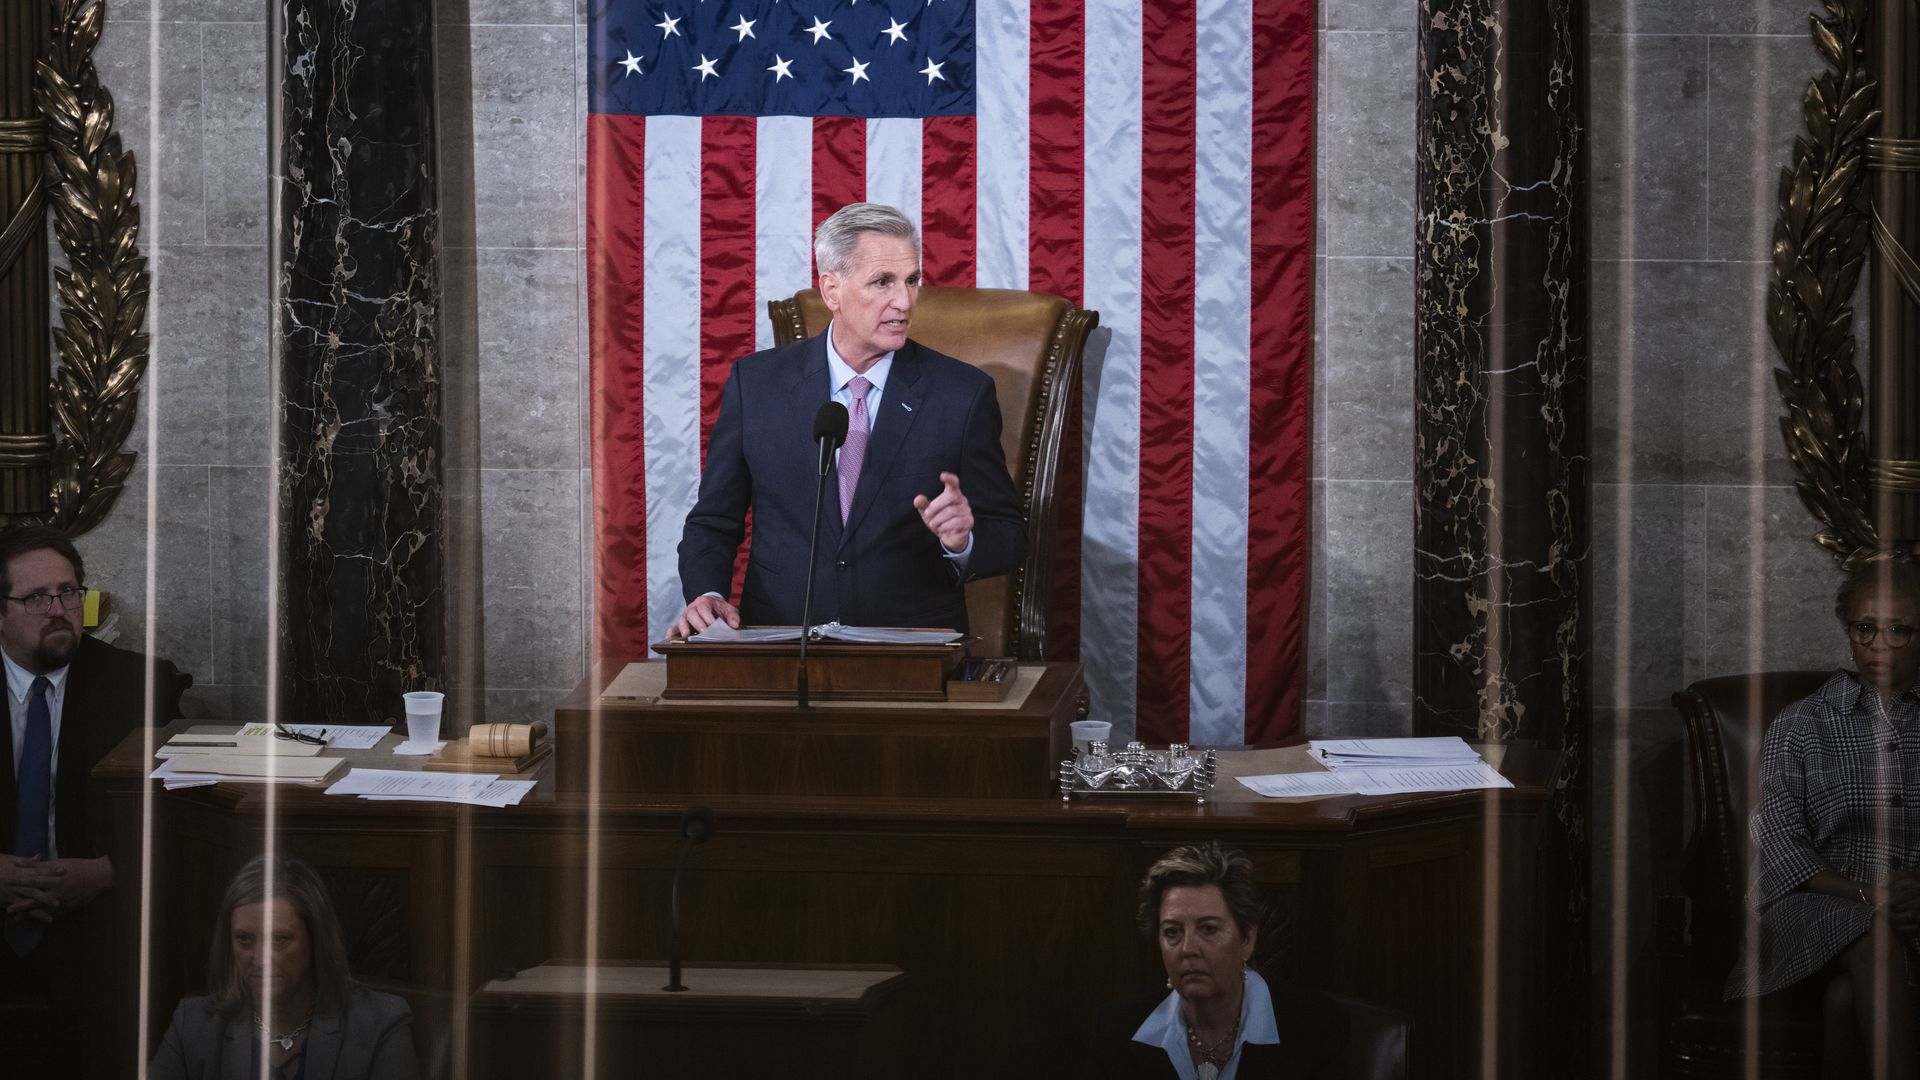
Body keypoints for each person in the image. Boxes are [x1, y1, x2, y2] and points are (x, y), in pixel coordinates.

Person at [671, 202, 1025, 639]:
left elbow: (1008, 536)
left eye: (911, 280)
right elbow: (713, 522)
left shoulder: (962, 394)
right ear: (831, 291)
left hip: (912, 655)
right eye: (882, 282)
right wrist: (706, 593)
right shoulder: (756, 385)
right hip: (781, 641)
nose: (904, 301)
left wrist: (962, 541)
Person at [0, 522, 182, 1072]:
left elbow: (177, 818)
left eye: (69, 592)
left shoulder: (137, 687)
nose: (58, 609)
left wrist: (109, 871)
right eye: (36, 597)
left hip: (101, 923)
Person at [1728, 559, 1920, 1077]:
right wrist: (1873, 894)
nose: (1878, 644)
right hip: (1811, 906)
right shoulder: (1801, 724)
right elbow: (1779, 844)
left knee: (1843, 1001)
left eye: (1899, 630)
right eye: (1865, 628)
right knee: (1873, 931)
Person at [1082, 842, 1348, 1079]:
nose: (1188, 949)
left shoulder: (1315, 1028)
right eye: (1172, 932)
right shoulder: (1116, 1029)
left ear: (1247, 939)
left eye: (1208, 929)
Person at [150, 854, 418, 1080]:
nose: (260, 959)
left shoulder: (381, 1023)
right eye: (245, 940)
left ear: (315, 942)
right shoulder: (194, 1023)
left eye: (280, 940)